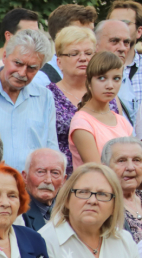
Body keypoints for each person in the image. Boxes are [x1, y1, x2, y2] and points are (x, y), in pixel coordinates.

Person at [0, 29, 58, 173]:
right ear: (5, 56)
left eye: (32, 68)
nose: (22, 73)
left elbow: (51, 152)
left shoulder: (45, 98)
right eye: (18, 63)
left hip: (32, 190)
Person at [48, 27, 118, 174]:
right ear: (59, 62)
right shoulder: (47, 96)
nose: (83, 58)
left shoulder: (108, 93)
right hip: (64, 179)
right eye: (74, 53)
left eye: (88, 53)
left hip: (111, 174)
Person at [69, 51, 134, 170]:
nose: (110, 85)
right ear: (89, 82)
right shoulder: (82, 122)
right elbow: (97, 170)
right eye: (102, 78)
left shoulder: (121, 121)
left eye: (116, 78)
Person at [41, 4, 98, 82]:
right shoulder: (42, 80)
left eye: (92, 32)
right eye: (79, 34)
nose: (89, 37)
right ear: (60, 36)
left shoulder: (100, 77)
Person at [102, 137, 142, 244]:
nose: (130, 167)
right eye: (121, 160)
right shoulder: (103, 205)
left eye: (136, 160)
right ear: (106, 168)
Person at [108, 0, 142, 119]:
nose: (118, 27)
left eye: (125, 23)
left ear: (139, 32)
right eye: (113, 23)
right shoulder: (94, 70)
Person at [94, 20, 135, 117]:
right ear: (96, 45)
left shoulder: (124, 77)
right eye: (114, 41)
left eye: (126, 42)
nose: (122, 48)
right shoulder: (84, 78)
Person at [20, 147, 67, 230]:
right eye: (40, 172)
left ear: (63, 180)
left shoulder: (69, 211)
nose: (48, 180)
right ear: (25, 176)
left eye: (55, 173)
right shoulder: (19, 213)